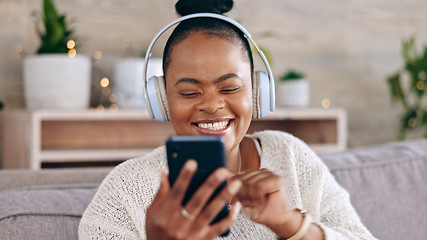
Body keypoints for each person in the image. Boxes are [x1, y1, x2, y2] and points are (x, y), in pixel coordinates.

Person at [79, 0, 377, 239]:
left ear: (257, 91)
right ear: (162, 99)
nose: (211, 105)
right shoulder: (124, 191)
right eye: (188, 91)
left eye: (230, 88)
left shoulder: (290, 157)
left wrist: (292, 226)